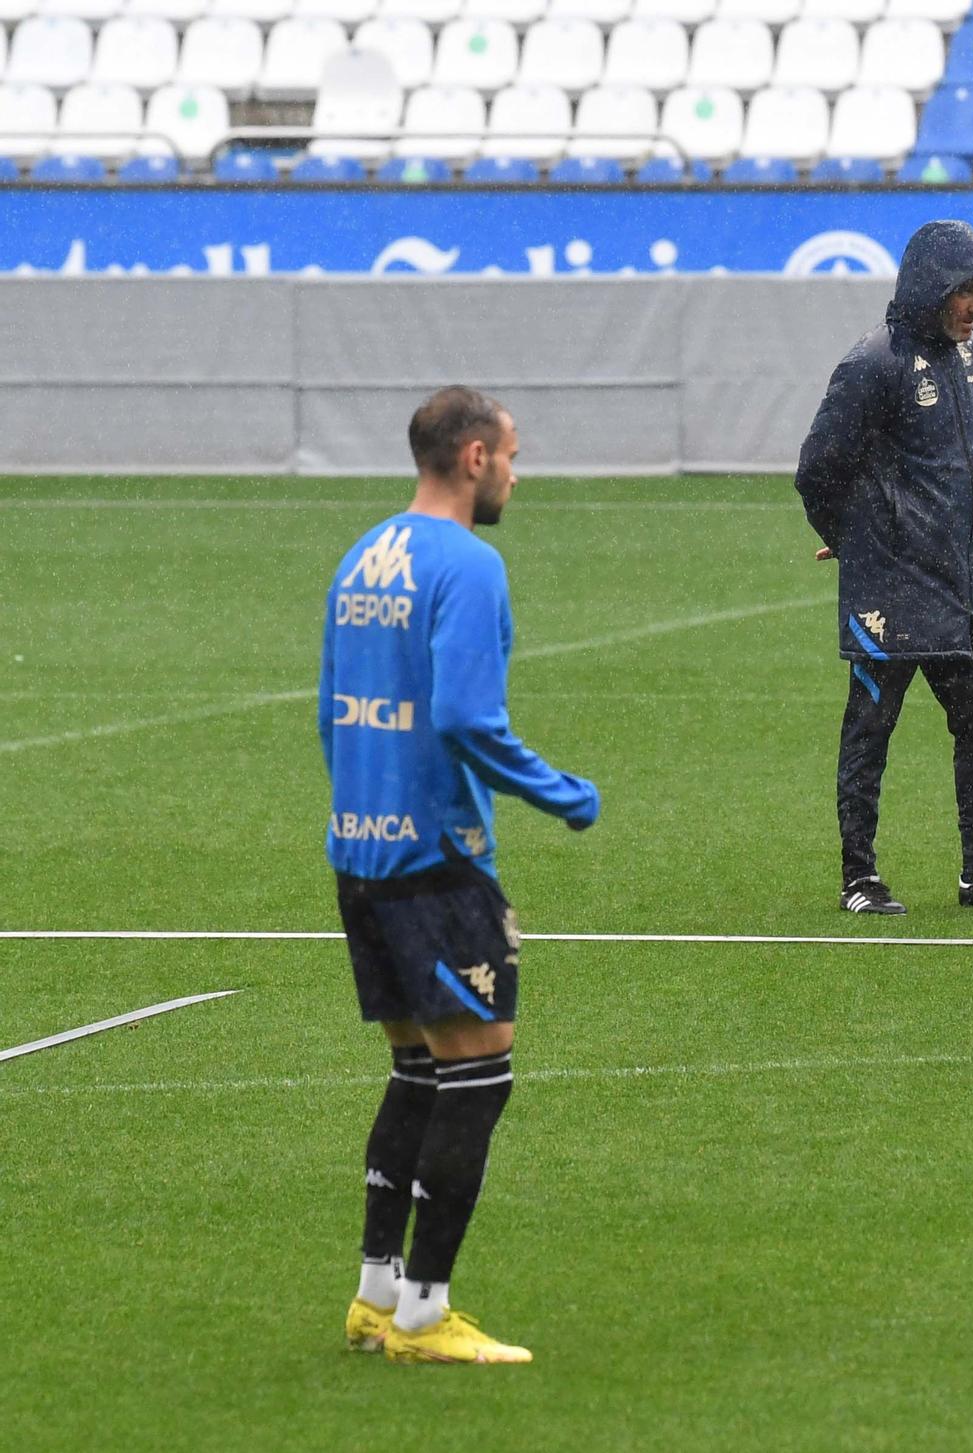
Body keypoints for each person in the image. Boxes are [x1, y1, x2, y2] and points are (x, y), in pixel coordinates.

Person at [323, 387, 599, 1362]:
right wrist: (560, 791)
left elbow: (332, 709)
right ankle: (426, 1316)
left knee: (415, 1070)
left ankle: (374, 1295)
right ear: (474, 456)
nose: (517, 476)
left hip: (359, 853)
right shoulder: (468, 566)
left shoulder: (364, 554)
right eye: (514, 457)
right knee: (477, 1075)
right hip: (435, 863)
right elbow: (466, 720)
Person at [795, 220, 973, 915]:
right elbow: (816, 470)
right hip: (889, 585)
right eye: (965, 293)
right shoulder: (874, 364)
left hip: (964, 584)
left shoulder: (965, 359)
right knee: (870, 730)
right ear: (929, 288)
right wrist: (851, 536)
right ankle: (859, 876)